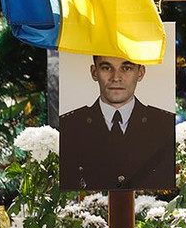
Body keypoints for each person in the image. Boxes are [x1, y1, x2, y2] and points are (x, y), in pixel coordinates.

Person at [59, 56, 176, 192]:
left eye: (126, 68)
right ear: (94, 72)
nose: (116, 77)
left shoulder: (165, 124)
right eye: (106, 68)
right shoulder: (69, 126)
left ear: (141, 72)